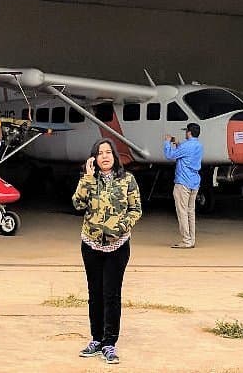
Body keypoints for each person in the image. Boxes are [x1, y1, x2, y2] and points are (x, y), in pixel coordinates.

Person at [72, 138, 142, 366]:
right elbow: (77, 205)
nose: (105, 156)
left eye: (108, 152)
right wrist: (87, 178)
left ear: (115, 156)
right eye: (100, 153)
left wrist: (121, 227)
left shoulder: (127, 180)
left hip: (118, 246)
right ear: (94, 158)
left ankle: (110, 342)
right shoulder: (88, 180)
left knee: (111, 294)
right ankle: (96, 339)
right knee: (95, 293)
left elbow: (136, 209)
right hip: (91, 245)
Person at [163, 122, 203, 248]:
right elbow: (185, 153)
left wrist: (167, 142)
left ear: (189, 132)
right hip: (194, 182)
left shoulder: (186, 146)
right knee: (191, 212)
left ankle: (186, 240)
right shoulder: (199, 145)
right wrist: (178, 144)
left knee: (182, 212)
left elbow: (169, 155)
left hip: (183, 182)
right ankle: (191, 240)